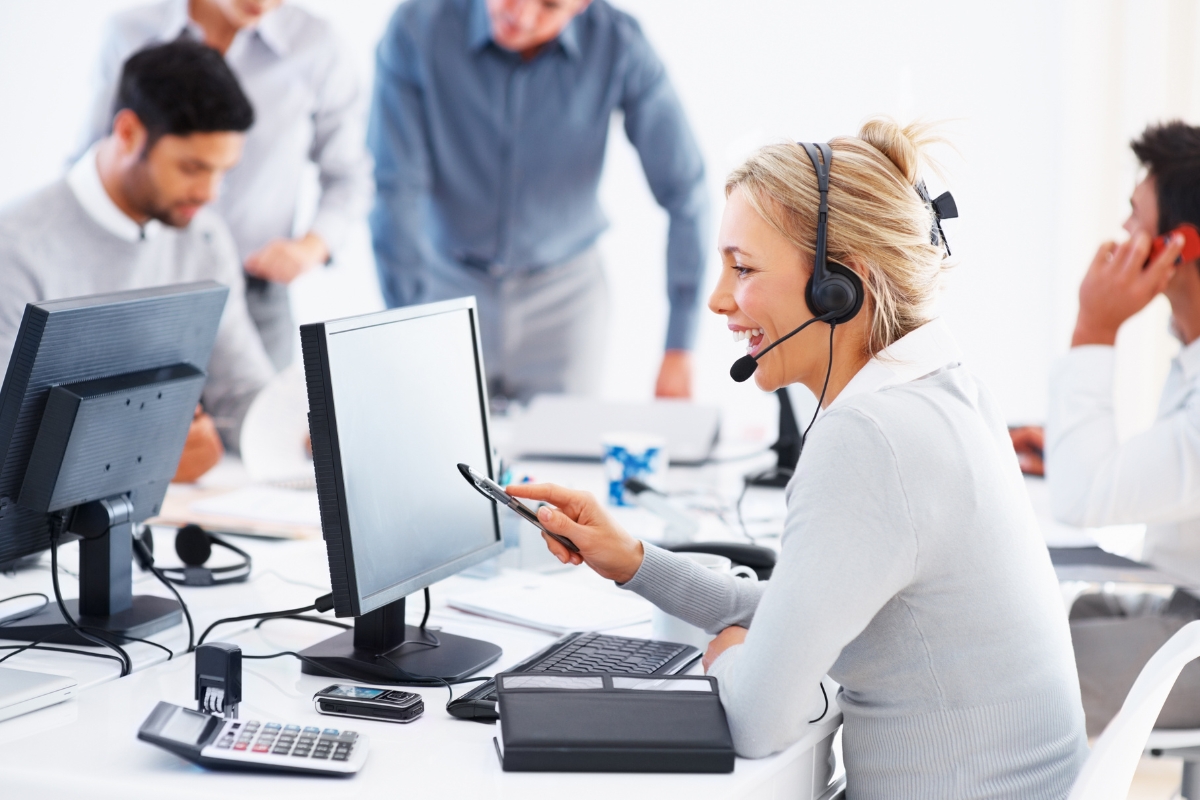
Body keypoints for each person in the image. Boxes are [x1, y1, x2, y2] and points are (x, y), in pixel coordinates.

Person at [507, 120, 1088, 797]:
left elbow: (758, 719)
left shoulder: (869, 437)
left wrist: (730, 660)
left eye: (743, 268)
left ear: (839, 287)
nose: (719, 299)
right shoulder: (947, 392)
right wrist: (635, 561)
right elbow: (795, 605)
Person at [369, 0, 707, 401]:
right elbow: (396, 188)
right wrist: (405, 321)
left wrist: (679, 346)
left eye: (549, 5)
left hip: (565, 304)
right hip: (445, 288)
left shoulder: (620, 43)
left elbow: (685, 190)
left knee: (562, 459)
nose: (522, 15)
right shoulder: (418, 27)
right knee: (438, 452)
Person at [0, 40, 273, 482]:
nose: (210, 193)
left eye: (223, 171)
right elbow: (7, 437)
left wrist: (313, 433)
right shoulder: (15, 248)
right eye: (192, 168)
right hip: (45, 541)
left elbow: (241, 390)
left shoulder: (203, 238)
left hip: (174, 523)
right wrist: (141, 457)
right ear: (128, 133)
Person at [77, 0, 374, 371]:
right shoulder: (132, 33)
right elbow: (93, 160)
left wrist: (311, 246)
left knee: (266, 419)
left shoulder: (317, 46)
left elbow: (348, 174)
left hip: (256, 292)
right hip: (144, 285)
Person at [1043, 121, 1200, 735]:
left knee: (1027, 674)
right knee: (1073, 614)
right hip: (1183, 598)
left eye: (1136, 218)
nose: (1124, 237)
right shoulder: (1189, 352)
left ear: (1176, 246)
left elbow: (1083, 500)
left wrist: (1095, 327)